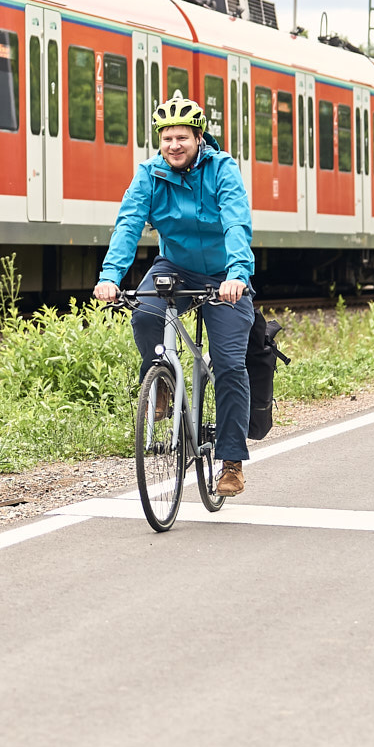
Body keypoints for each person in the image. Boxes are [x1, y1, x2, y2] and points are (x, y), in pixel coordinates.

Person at [93, 95, 256, 495]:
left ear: (199, 138)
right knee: (145, 313)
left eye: (182, 137)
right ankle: (162, 379)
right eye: (167, 138)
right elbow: (128, 224)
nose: (174, 145)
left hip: (224, 274)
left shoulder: (222, 169)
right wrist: (110, 277)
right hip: (175, 267)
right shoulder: (149, 174)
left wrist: (237, 274)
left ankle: (231, 462)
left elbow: (236, 222)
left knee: (230, 364)